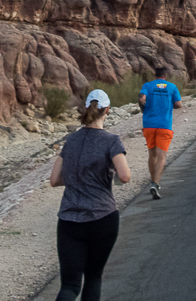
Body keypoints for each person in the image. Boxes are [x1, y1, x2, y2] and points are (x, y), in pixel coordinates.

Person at [50, 89, 132, 301]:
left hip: (69, 220)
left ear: (86, 108)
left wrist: (78, 179)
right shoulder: (111, 141)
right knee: (94, 277)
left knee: (69, 285)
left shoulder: (71, 141)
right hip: (102, 217)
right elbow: (124, 176)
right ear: (107, 110)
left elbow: (54, 180)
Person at [138, 67, 183, 198]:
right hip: (164, 124)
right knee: (161, 155)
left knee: (152, 154)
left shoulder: (148, 85)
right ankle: (155, 183)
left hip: (149, 124)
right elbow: (179, 104)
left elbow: (141, 99)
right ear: (165, 75)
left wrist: (143, 109)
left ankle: (153, 182)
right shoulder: (172, 86)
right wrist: (169, 104)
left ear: (155, 75)